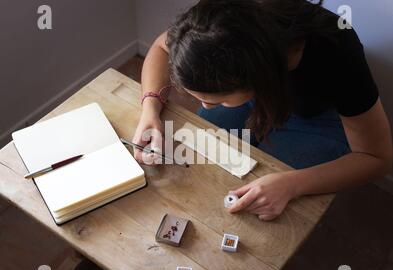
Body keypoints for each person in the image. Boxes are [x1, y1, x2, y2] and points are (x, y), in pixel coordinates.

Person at [132, 0, 393, 221]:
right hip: (251, 92)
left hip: (319, 119)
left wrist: (293, 184)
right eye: (199, 97)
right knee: (202, 157)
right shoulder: (216, 18)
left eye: (216, 99)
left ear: (257, 80)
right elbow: (160, 46)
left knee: (262, 199)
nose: (204, 106)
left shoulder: (336, 49)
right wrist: (150, 109)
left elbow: (377, 158)